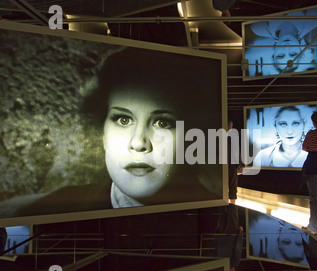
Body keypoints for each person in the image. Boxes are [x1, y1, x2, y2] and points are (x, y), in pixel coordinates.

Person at [11, 47, 221, 218]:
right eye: (123, 120)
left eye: (163, 123)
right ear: (103, 133)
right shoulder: (44, 213)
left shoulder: (213, 219)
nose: (138, 142)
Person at [245, 6, 317, 76]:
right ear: (300, 49)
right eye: (293, 54)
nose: (286, 48)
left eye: (281, 55)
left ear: (274, 50)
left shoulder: (258, 27)